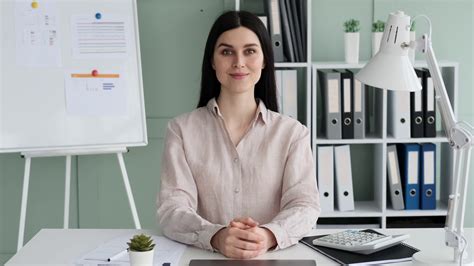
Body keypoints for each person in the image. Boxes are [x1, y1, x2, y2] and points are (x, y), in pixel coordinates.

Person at [157, 10, 320, 259]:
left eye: (250, 51)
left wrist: (267, 235)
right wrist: (216, 235)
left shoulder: (292, 133)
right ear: (212, 61)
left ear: (265, 59)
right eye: (226, 51)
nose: (239, 62)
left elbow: (305, 206)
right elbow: (172, 208)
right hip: (205, 258)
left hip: (271, 258)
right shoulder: (182, 130)